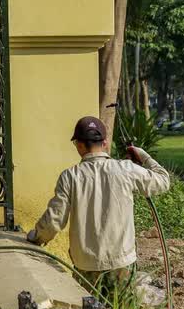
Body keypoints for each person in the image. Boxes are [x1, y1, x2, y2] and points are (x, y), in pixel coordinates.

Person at [26, 116, 170, 295]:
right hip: (121, 263)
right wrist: (143, 156)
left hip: (86, 266)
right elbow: (163, 181)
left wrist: (36, 237)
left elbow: (54, 220)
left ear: (78, 145)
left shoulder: (69, 177)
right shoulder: (126, 169)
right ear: (105, 142)